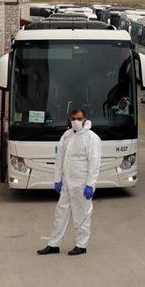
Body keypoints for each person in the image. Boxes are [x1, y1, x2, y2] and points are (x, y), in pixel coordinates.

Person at [37, 108, 101, 257]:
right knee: (60, 214)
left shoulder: (91, 138)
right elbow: (60, 159)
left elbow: (94, 163)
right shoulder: (67, 135)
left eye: (79, 118)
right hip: (67, 183)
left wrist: (90, 184)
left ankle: (81, 245)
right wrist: (57, 180)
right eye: (73, 119)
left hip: (81, 184)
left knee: (82, 215)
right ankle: (54, 244)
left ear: (85, 119)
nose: (76, 121)